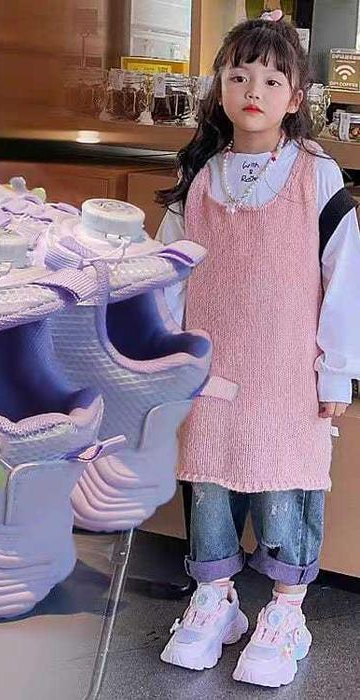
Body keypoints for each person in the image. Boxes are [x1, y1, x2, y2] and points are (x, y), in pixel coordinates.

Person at [155, 10, 360, 688]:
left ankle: (285, 612)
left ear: (296, 97)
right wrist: (160, 352)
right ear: (219, 87)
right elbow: (167, 271)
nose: (254, 91)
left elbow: (344, 276)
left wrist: (338, 372)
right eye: (239, 75)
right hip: (212, 371)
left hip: (286, 373)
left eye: (273, 80)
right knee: (210, 478)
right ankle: (214, 599)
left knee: (283, 482)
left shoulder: (315, 175)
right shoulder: (201, 175)